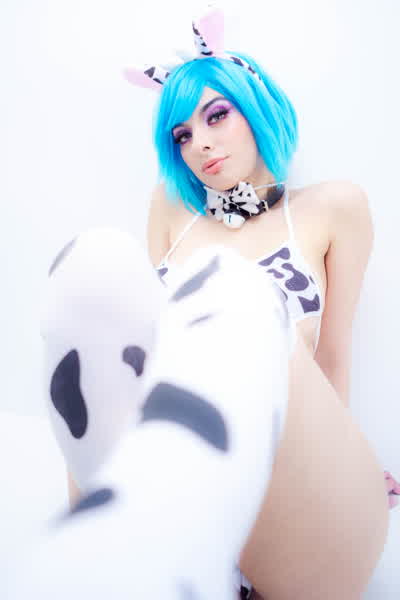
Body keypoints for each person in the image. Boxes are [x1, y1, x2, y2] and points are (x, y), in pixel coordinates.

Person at [11, 5, 398, 600]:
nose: (201, 144)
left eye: (216, 115)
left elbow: (334, 356)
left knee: (234, 289)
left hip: (295, 485)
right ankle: (108, 547)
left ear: (256, 105)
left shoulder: (332, 208)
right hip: (170, 487)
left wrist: (345, 467)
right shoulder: (170, 210)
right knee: (95, 263)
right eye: (183, 135)